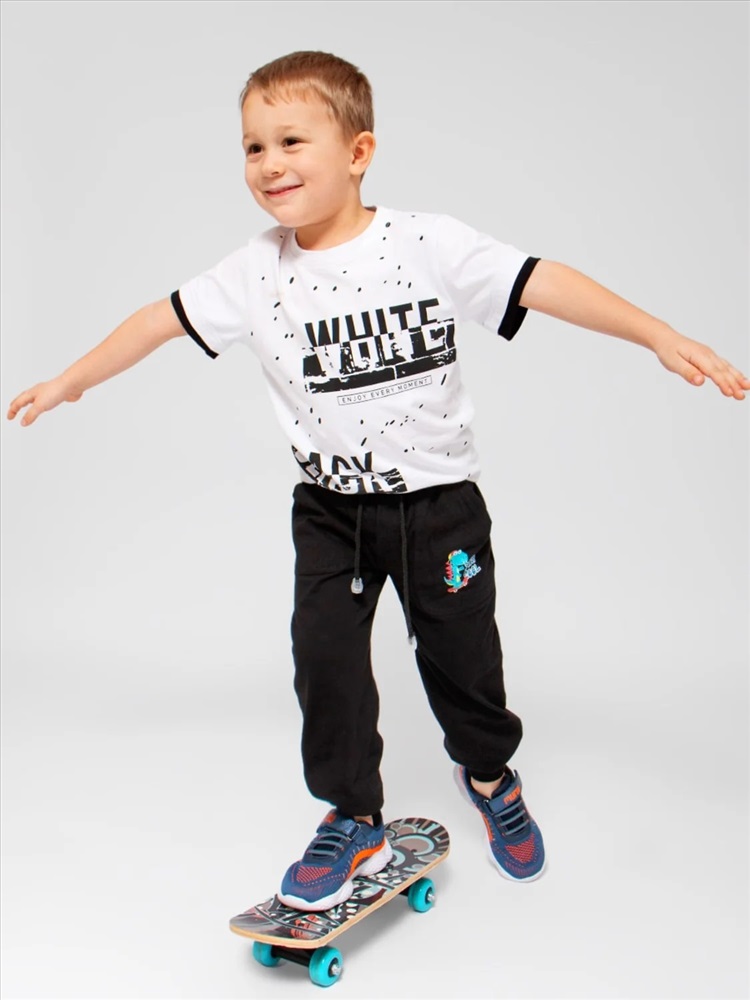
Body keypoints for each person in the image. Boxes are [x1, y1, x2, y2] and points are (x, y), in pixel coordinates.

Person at [8, 51, 748, 913]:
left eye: (291, 141)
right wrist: (73, 380)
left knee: (463, 658)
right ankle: (353, 814)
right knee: (324, 662)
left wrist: (657, 334)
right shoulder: (254, 271)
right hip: (331, 514)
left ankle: (491, 775)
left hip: (439, 511)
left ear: (358, 152)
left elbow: (542, 281)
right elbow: (157, 321)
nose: (269, 163)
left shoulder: (427, 244)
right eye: (252, 146)